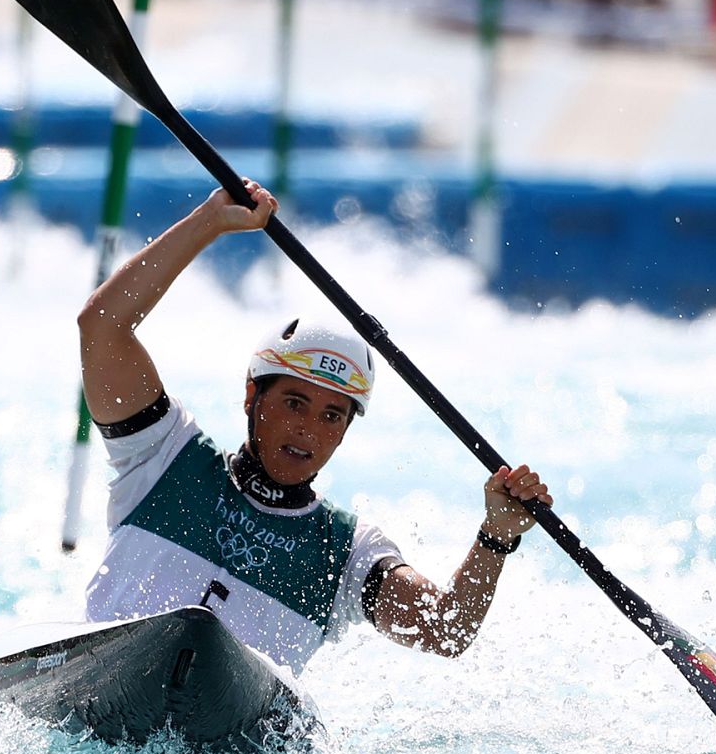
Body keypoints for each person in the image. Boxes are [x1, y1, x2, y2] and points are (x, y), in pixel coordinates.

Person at [77, 179, 552, 672]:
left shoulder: (344, 554)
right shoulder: (163, 457)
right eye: (294, 403)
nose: (308, 430)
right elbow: (102, 324)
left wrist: (496, 535)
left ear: (345, 432)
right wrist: (210, 221)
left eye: (331, 416)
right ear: (252, 396)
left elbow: (445, 630)